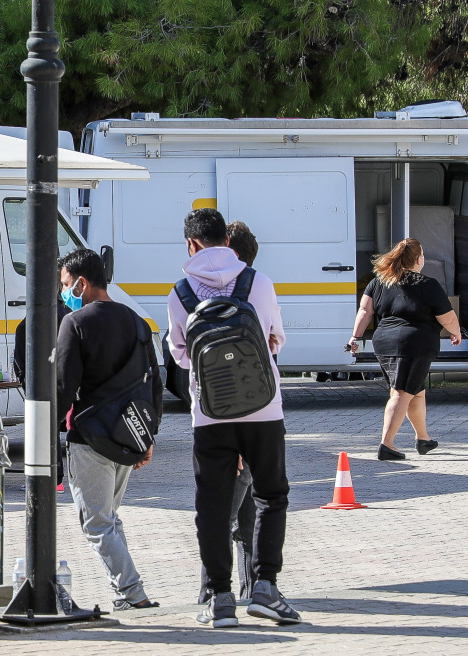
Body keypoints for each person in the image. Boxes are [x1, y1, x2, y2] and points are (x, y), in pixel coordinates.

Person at [166, 207, 300, 628]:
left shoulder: (180, 293)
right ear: (227, 239)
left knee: (212, 504)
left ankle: (220, 599)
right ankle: (265, 588)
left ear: (190, 244)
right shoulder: (258, 282)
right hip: (263, 408)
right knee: (271, 495)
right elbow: (276, 338)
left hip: (210, 414)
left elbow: (180, 355)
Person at [56, 248, 160, 611]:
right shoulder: (136, 322)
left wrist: (46, 433)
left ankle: (134, 594)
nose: (64, 293)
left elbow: (63, 389)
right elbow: (155, 385)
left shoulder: (75, 323)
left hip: (90, 439)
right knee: (109, 519)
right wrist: (148, 437)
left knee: (97, 524)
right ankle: (125, 593)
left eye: (66, 285)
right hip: (128, 437)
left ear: (82, 283)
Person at [348, 238, 461, 460]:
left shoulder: (379, 281)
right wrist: (456, 332)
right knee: (401, 392)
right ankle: (386, 444)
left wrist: (355, 337)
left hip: (384, 342)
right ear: (419, 259)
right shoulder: (428, 284)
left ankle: (423, 439)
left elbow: (364, 311)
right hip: (413, 344)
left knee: (414, 390)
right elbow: (447, 317)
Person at [197, 219, 259, 604]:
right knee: (246, 511)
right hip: (261, 421)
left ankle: (212, 593)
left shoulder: (230, 302)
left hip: (232, 423)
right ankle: (252, 586)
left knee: (218, 516)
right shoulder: (259, 291)